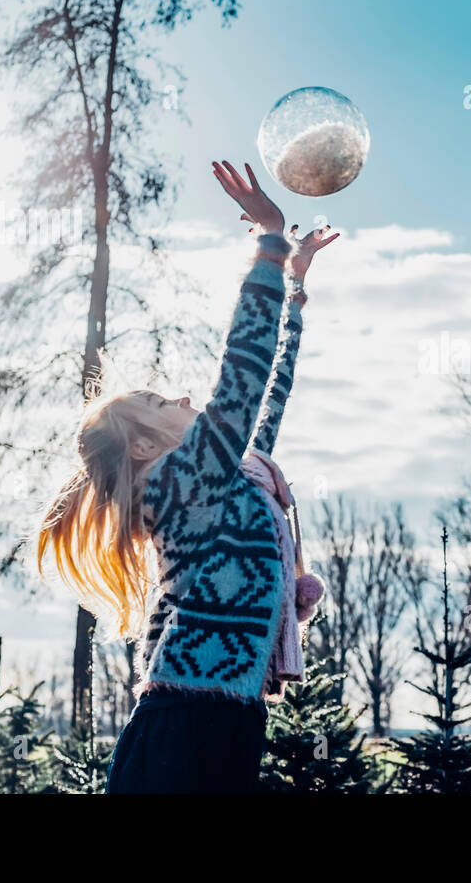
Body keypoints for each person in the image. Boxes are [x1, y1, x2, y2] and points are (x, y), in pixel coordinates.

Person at [34, 160, 336, 792]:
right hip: (185, 722)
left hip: (230, 717)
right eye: (158, 402)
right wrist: (268, 245)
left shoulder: (230, 476)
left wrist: (296, 288)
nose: (176, 397)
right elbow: (241, 378)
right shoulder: (178, 482)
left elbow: (268, 392)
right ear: (145, 443)